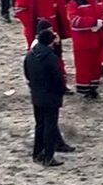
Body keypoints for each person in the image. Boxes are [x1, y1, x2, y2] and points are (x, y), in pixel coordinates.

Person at [24, 21, 70, 166]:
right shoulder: (50, 58)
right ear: (50, 43)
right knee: (50, 126)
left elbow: (27, 73)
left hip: (36, 95)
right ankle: (49, 157)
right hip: (50, 97)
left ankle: (37, 153)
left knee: (40, 125)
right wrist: (61, 91)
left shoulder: (31, 54)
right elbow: (57, 78)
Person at [67, 0, 103, 98]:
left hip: (96, 37)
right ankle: (84, 89)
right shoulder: (74, 2)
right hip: (82, 40)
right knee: (83, 65)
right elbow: (74, 21)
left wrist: (101, 22)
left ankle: (93, 88)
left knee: (96, 64)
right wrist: (94, 22)